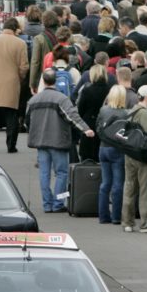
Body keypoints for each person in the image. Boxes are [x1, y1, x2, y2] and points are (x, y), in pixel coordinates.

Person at [26, 69, 95, 214]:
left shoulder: (33, 100)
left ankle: (47, 204)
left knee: (44, 173)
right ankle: (58, 202)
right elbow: (72, 116)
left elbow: (27, 121)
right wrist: (86, 129)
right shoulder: (61, 98)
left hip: (40, 141)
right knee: (61, 173)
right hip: (58, 140)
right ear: (55, 81)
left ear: (44, 81)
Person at [0, 18, 29, 154]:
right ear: (16, 29)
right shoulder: (20, 43)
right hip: (12, 82)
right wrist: (19, 78)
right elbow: (24, 66)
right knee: (11, 115)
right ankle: (11, 146)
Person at [122, 86, 147, 234]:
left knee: (130, 187)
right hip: (143, 156)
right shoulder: (144, 113)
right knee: (145, 190)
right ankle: (146, 224)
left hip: (130, 153)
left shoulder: (131, 111)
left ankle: (127, 222)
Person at [95, 85, 128, 226]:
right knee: (117, 185)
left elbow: (97, 127)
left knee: (105, 184)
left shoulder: (103, 110)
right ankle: (116, 216)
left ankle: (103, 216)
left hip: (103, 148)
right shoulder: (125, 113)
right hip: (117, 150)